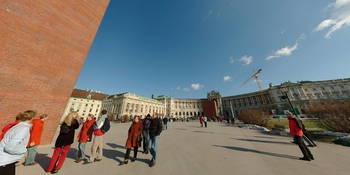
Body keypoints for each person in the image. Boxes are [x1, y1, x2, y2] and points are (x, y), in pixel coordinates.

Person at [0, 110, 37, 175]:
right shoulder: (23, 128)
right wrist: (24, 151)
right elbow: (10, 147)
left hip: (5, 160)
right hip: (6, 161)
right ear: (31, 118)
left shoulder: (17, 126)